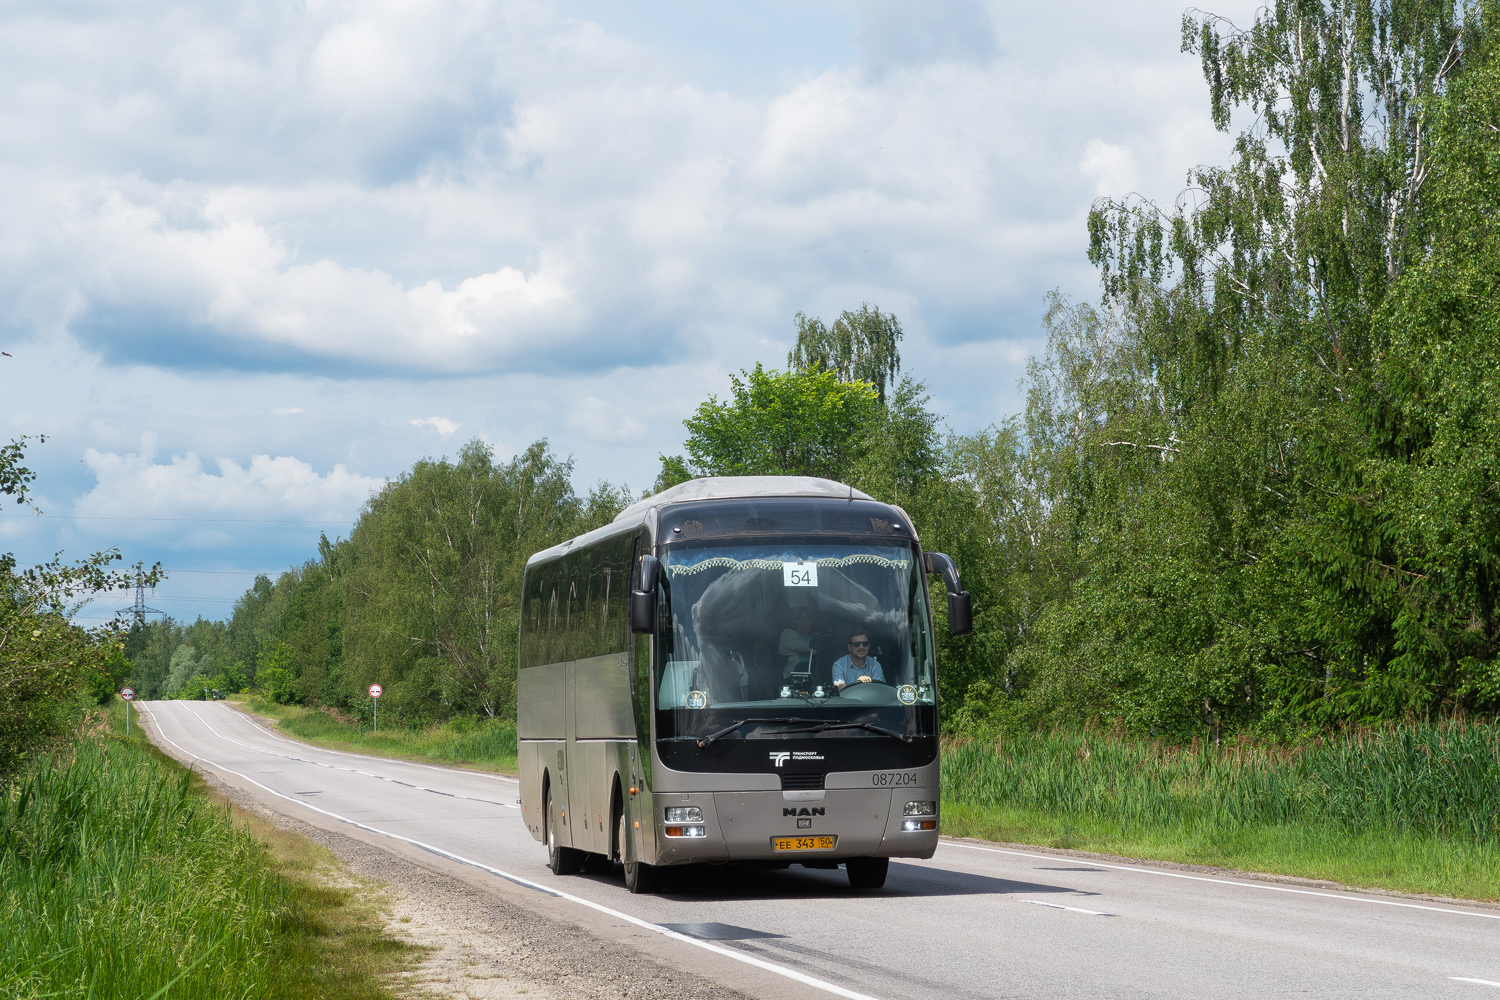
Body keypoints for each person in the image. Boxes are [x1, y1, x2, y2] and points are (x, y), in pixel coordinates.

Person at [779, 606, 817, 678]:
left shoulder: (817, 636)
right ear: (793, 621)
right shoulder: (787, 635)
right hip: (791, 682)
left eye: (809, 619)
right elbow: (808, 647)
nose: (805, 622)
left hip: (815, 680)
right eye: (800, 619)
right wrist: (817, 648)